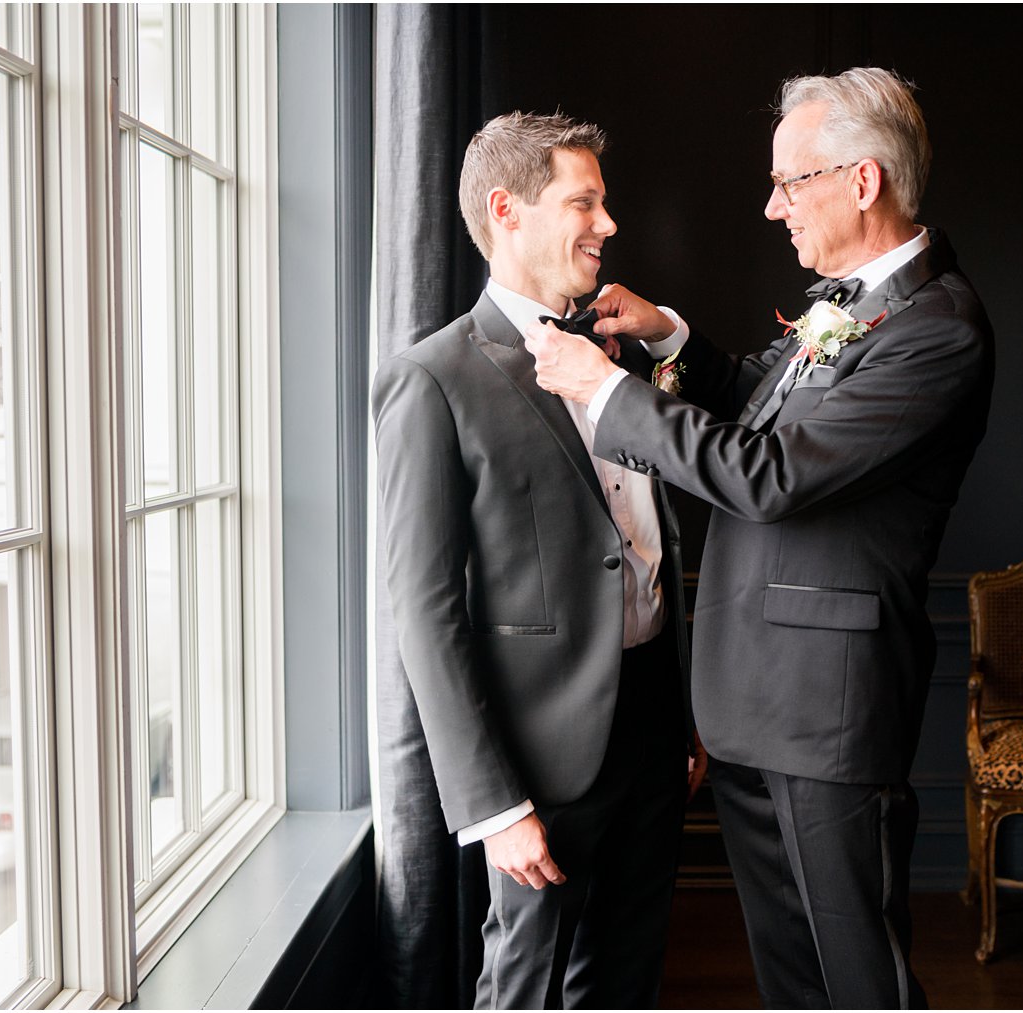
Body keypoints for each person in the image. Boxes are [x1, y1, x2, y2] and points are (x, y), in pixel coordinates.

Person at [526, 68, 995, 1009]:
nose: (772, 206)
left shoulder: (937, 330)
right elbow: (764, 413)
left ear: (862, 182)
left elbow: (770, 476)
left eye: (792, 182)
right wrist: (668, 344)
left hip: (828, 718)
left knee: (860, 984)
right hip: (752, 704)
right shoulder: (851, 298)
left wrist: (604, 391)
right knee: (793, 983)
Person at [371, 110, 704, 1010]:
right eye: (583, 202)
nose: (608, 225)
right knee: (522, 986)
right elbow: (425, 610)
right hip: (535, 758)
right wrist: (493, 804)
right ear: (506, 210)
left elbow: (648, 544)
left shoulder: (619, 351)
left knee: (626, 979)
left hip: (649, 729)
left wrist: (676, 718)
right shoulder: (431, 379)